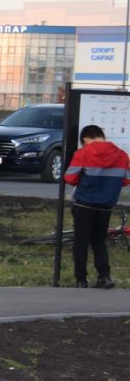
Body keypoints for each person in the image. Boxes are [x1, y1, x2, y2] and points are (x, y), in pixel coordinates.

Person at [63, 123, 128, 289]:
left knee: (81, 241)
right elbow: (126, 180)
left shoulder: (83, 153)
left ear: (86, 139)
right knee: (99, 240)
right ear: (101, 136)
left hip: (85, 204)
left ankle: (81, 280)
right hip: (106, 205)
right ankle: (104, 277)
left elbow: (70, 178)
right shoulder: (122, 155)